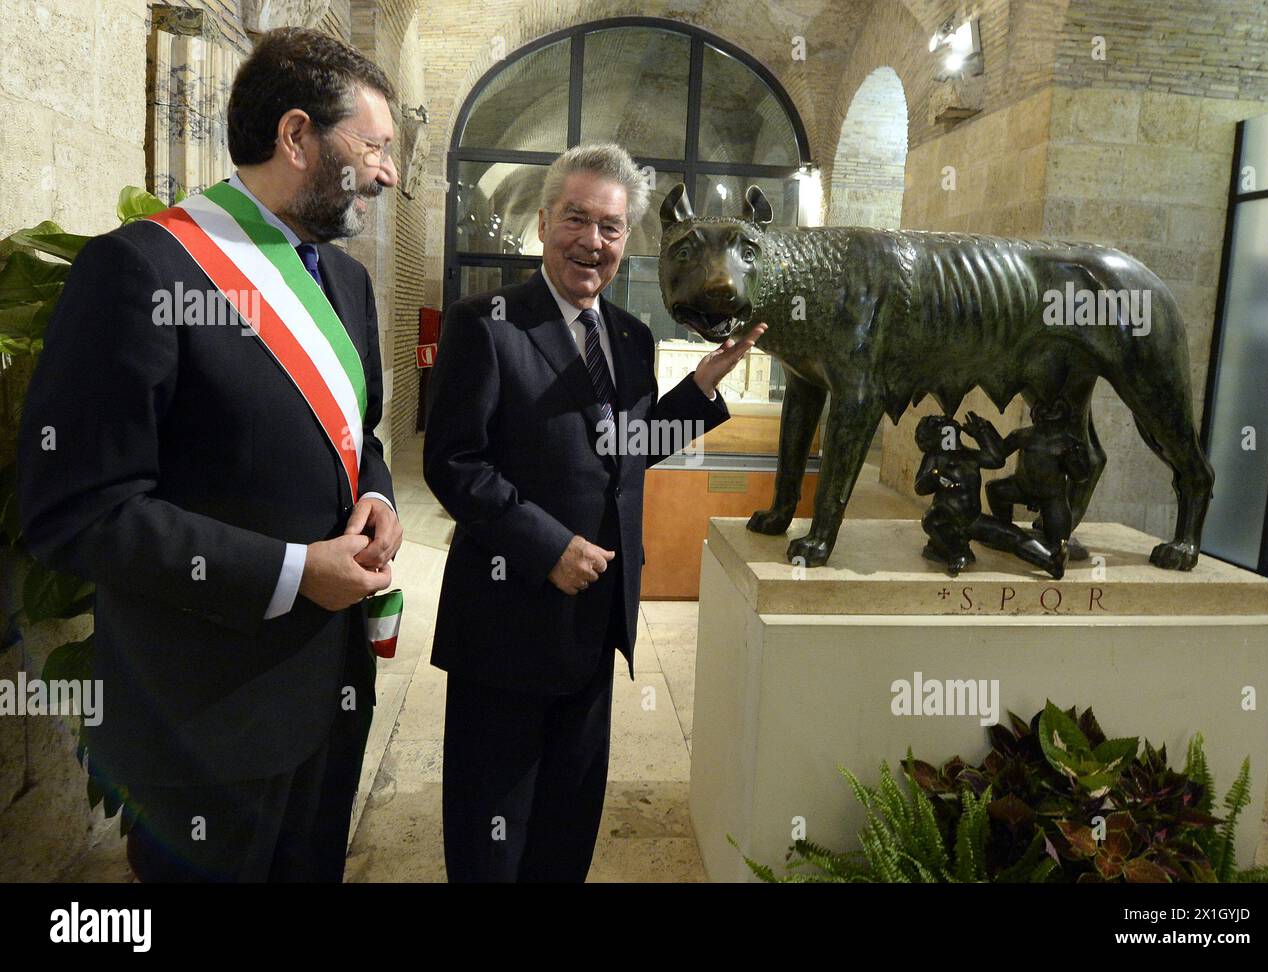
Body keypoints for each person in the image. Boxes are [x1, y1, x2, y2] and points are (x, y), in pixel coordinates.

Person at [17, 27, 403, 882]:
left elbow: (356, 440)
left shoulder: (345, 283)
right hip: (203, 725)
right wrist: (294, 572)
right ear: (296, 136)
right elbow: (76, 511)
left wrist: (377, 496)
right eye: (374, 147)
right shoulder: (140, 271)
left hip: (329, 703)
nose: (389, 173)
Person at [424, 142, 765, 882]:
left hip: (597, 614)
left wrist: (698, 391)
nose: (592, 241)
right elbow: (453, 464)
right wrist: (546, 545)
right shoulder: (486, 323)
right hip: (508, 618)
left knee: (568, 819)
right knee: (493, 826)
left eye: (610, 227)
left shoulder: (632, 338)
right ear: (544, 224)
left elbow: (627, 452)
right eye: (576, 219)